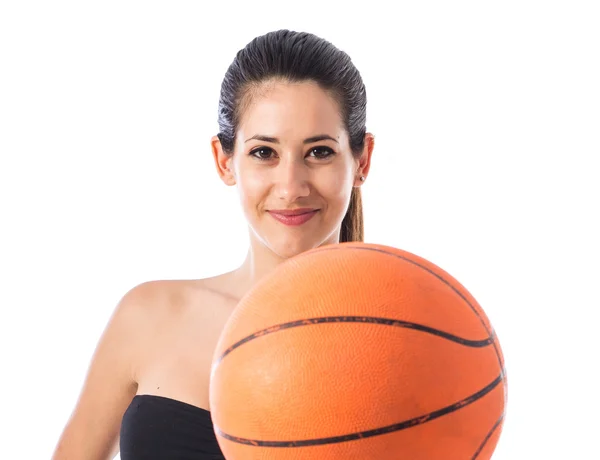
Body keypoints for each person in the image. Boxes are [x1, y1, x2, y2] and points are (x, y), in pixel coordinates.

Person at [51, 29, 375, 460]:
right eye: (264, 152)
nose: (291, 186)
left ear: (362, 161)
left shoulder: (401, 344)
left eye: (318, 152)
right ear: (225, 161)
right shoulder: (149, 316)